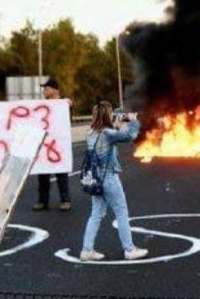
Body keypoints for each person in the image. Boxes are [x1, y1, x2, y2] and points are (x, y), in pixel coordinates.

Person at [79, 100, 148, 261]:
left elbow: (108, 140)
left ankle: (86, 249)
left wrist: (115, 126)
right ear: (106, 115)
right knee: (121, 212)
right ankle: (129, 249)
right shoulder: (108, 134)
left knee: (96, 214)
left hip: (96, 178)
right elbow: (130, 135)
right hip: (109, 177)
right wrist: (133, 120)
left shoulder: (91, 134)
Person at [33, 78, 73, 211]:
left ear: (55, 90)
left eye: (47, 88)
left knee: (61, 173)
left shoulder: (63, 105)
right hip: (44, 145)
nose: (45, 91)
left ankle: (65, 200)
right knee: (42, 174)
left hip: (58, 145)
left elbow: (68, 121)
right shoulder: (42, 106)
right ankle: (42, 201)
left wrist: (66, 104)